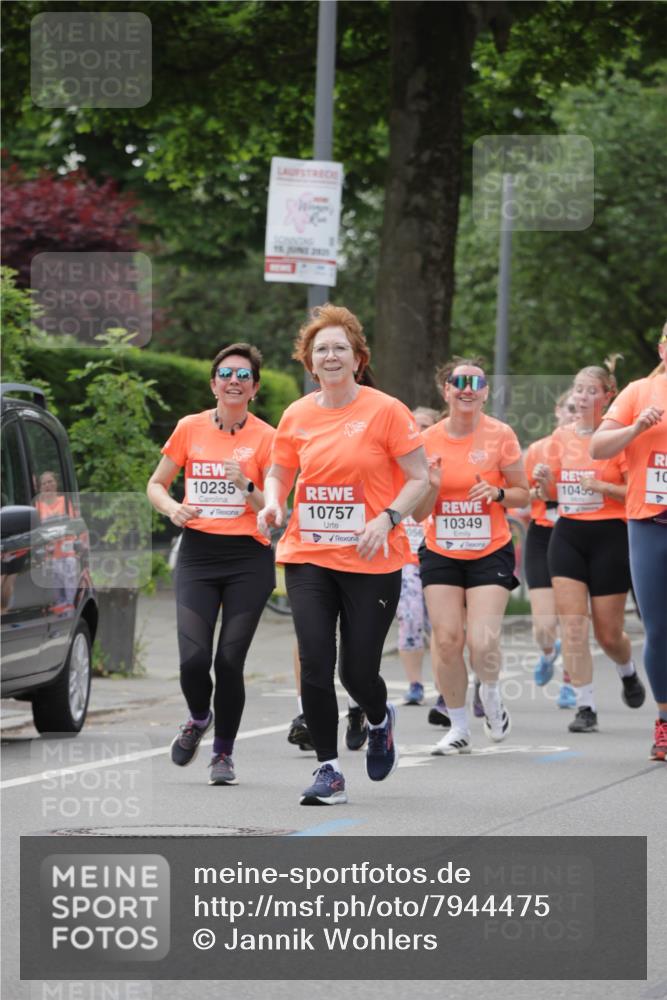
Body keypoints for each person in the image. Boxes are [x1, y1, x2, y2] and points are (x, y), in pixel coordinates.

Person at [259, 304, 429, 805]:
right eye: (320, 350)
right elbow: (279, 472)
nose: (330, 356)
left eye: (339, 348)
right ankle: (328, 770)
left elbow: (419, 477)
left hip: (373, 558)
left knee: (356, 671)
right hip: (309, 553)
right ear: (309, 363)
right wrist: (272, 502)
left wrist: (387, 518)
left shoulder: (386, 410)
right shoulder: (297, 414)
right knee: (315, 660)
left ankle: (379, 718)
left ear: (357, 358)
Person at [147, 343, 275, 786]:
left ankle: (223, 754)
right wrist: (171, 509)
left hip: (248, 558)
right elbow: (157, 484)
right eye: (226, 373)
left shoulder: (268, 437)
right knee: (193, 659)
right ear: (213, 383)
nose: (234, 381)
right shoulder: (189, 428)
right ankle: (199, 717)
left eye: (243, 375)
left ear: (254, 388)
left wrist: (249, 486)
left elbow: (273, 508)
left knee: (229, 660)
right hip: (198, 554)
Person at [412, 357, 529, 755]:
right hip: (441, 549)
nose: (466, 388)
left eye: (474, 382)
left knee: (482, 640)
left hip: (489, 549)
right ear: (445, 391)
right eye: (457, 382)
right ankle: (458, 726)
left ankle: (491, 695)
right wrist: (432, 485)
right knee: (446, 640)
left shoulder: (501, 435)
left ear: (485, 392)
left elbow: (523, 493)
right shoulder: (427, 441)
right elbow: (418, 513)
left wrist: (496, 494)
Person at [534, 359, 645, 734]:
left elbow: (638, 491)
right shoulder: (559, 437)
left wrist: (604, 488)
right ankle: (585, 705)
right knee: (574, 626)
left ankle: (627, 671)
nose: (581, 397)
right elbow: (548, 494)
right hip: (567, 534)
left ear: (608, 396)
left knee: (608, 633)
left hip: (610, 535)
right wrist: (543, 481)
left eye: (590, 391)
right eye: (578, 389)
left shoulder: (620, 439)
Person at [590, 327, 667, 760]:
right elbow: (599, 446)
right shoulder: (641, 391)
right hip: (651, 522)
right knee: (659, 630)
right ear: (662, 349)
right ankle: (664, 721)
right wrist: (636, 428)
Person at [524, 390, 577, 708]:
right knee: (544, 625)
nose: (573, 414)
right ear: (558, 411)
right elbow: (524, 495)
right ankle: (548, 651)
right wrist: (540, 486)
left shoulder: (594, 448)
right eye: (568, 408)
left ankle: (571, 684)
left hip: (578, 533)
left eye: (579, 409)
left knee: (573, 619)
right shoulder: (539, 449)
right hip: (544, 533)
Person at [398, 406, 440, 706]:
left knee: (442, 626)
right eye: (415, 425)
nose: (419, 430)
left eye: (426, 426)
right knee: (410, 617)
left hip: (439, 553)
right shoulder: (398, 461)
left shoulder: (442, 462)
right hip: (407, 555)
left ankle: (445, 685)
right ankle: (415, 683)